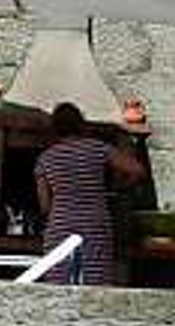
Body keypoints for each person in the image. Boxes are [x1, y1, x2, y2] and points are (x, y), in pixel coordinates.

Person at [33, 101, 146, 285]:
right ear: (81, 124)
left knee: (59, 286)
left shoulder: (45, 159)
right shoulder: (98, 148)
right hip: (94, 226)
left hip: (60, 227)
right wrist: (120, 187)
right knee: (95, 284)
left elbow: (45, 205)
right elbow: (137, 170)